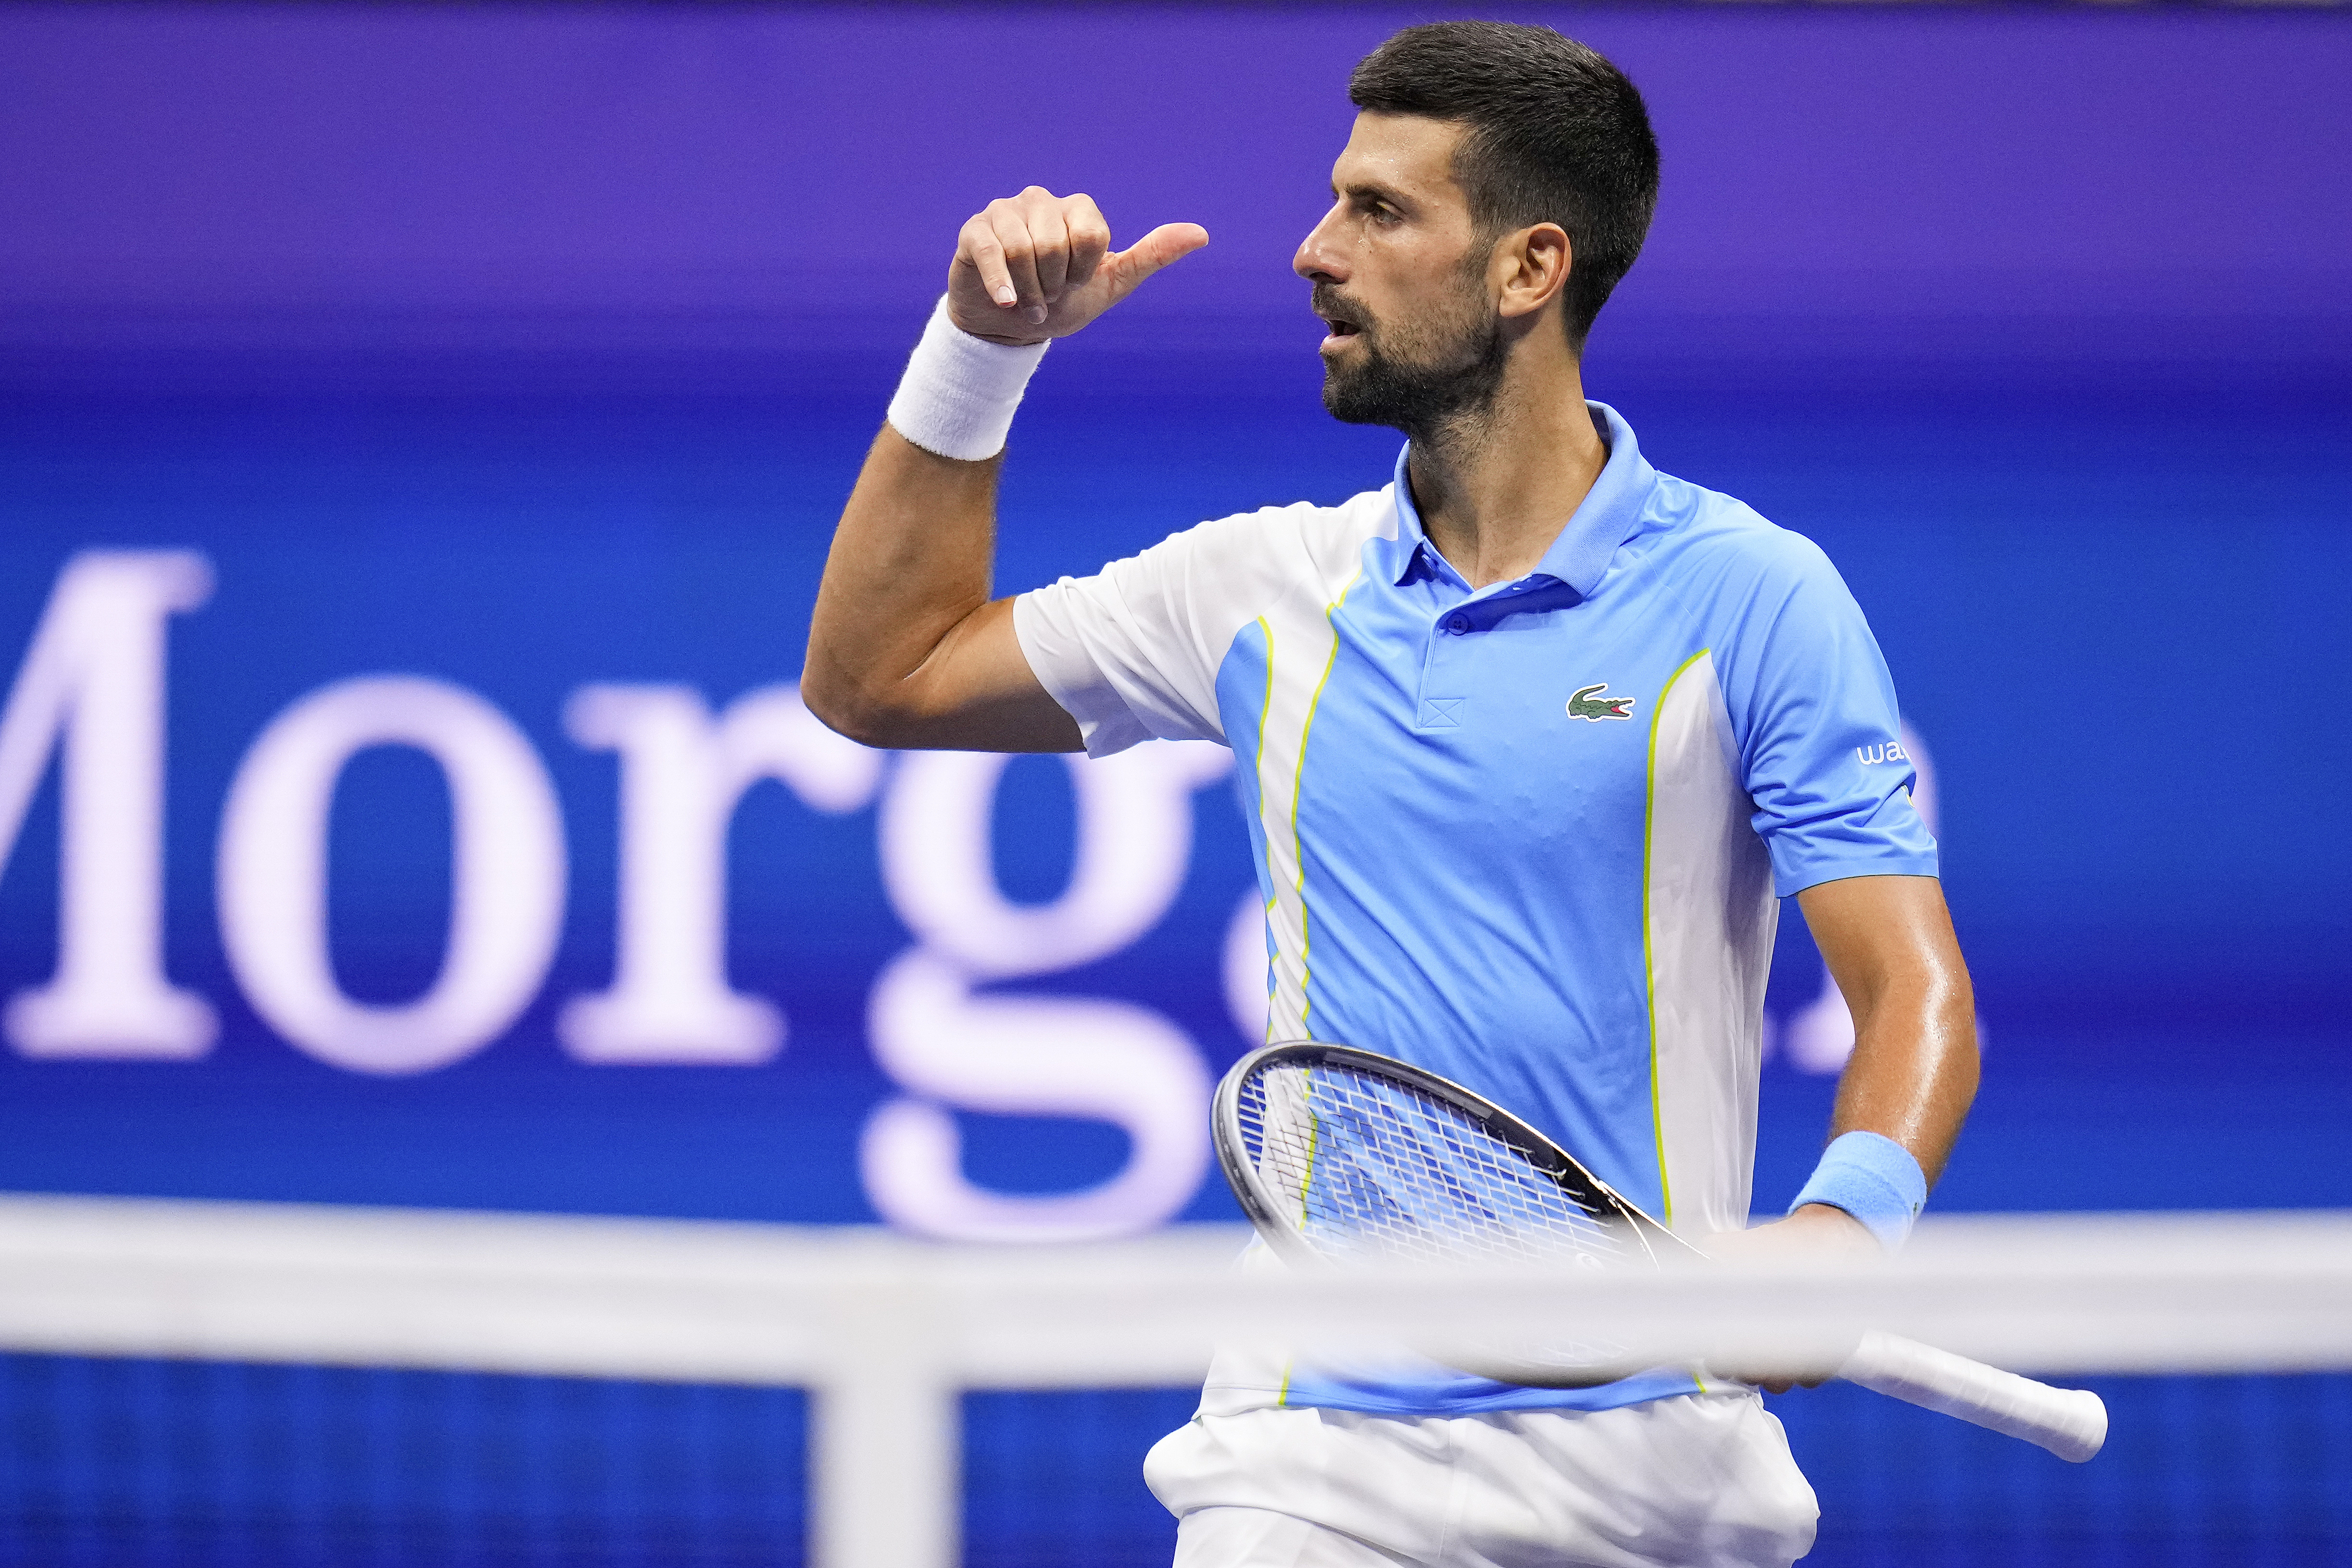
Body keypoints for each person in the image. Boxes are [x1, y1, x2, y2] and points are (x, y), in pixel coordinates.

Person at [805, 19, 1978, 1568]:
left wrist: (1843, 1232)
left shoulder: (1753, 599)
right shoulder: (1257, 589)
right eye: (1331, 200)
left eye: (1378, 211)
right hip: (1309, 1459)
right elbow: (877, 677)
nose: (1311, 252)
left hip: (1664, 1470)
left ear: (1526, 268)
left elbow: (1913, 993)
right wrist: (981, 350)